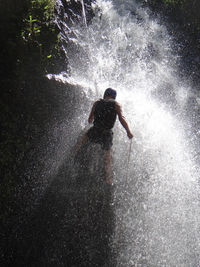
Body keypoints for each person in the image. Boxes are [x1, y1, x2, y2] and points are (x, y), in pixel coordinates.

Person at [75, 88, 133, 185]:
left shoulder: (97, 103)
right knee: (107, 156)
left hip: (95, 130)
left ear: (105, 95)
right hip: (106, 134)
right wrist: (128, 132)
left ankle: (75, 153)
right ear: (114, 96)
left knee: (83, 140)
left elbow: (90, 119)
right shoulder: (116, 104)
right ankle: (108, 179)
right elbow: (121, 119)